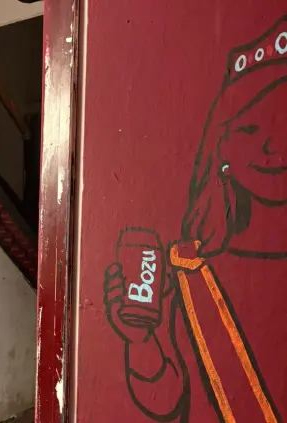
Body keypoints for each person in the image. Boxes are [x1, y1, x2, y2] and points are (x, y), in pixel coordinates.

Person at [104, 16, 287, 423]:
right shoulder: (193, 268)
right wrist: (141, 341)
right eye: (249, 128)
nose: (271, 144)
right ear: (221, 149)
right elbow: (168, 400)